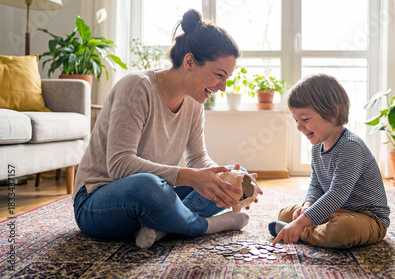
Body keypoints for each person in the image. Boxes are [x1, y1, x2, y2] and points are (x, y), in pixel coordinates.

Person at [73, 9, 262, 249]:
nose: (223, 87)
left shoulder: (194, 102)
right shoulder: (137, 87)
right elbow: (119, 164)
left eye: (227, 78)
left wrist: (229, 178)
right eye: (219, 75)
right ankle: (206, 225)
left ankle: (160, 226)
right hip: (96, 202)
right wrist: (189, 177)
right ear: (190, 62)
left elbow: (197, 158)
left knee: (229, 176)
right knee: (149, 186)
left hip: (157, 194)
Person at [268, 73, 390, 249]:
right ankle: (303, 229)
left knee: (341, 231)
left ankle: (302, 233)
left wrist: (301, 223)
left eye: (305, 119)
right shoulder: (317, 146)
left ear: (332, 114)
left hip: (368, 218)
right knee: (286, 214)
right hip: (336, 210)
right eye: (296, 120)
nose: (299, 127)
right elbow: (316, 185)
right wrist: (307, 206)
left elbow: (337, 194)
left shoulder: (351, 146)